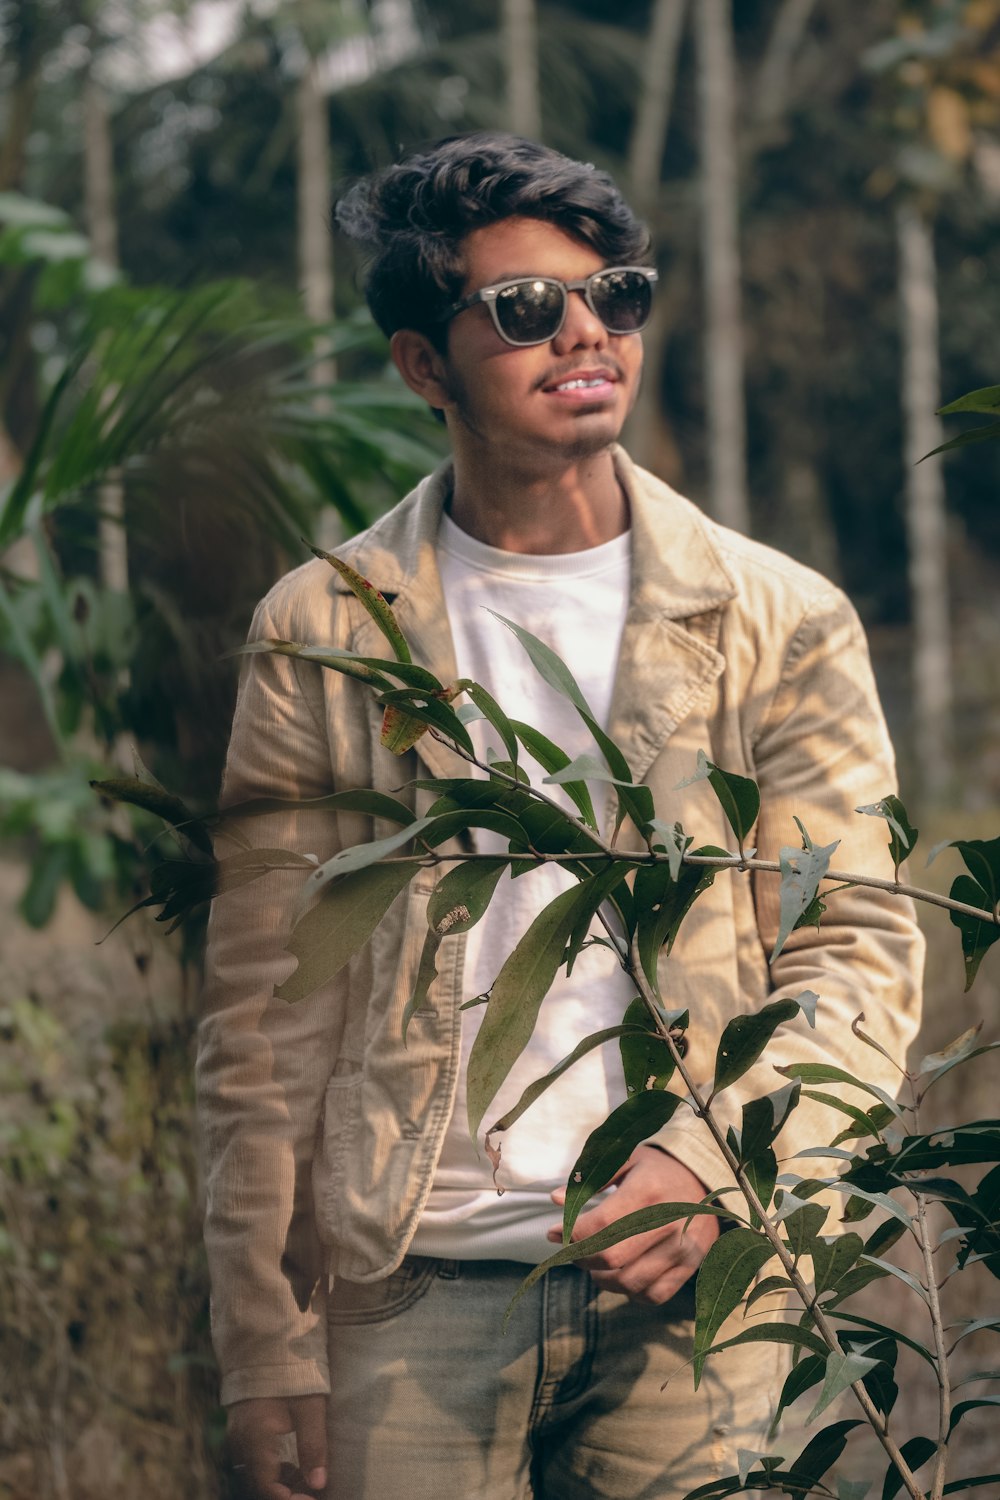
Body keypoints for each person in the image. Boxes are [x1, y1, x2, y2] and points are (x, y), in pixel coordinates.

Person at [197, 133, 924, 1500]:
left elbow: (858, 947)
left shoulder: (780, 621)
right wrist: (264, 1344)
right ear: (425, 364)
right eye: (527, 309)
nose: (586, 334)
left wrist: (714, 1161)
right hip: (406, 1288)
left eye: (617, 296)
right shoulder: (325, 631)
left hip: (694, 1278)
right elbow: (261, 1014)